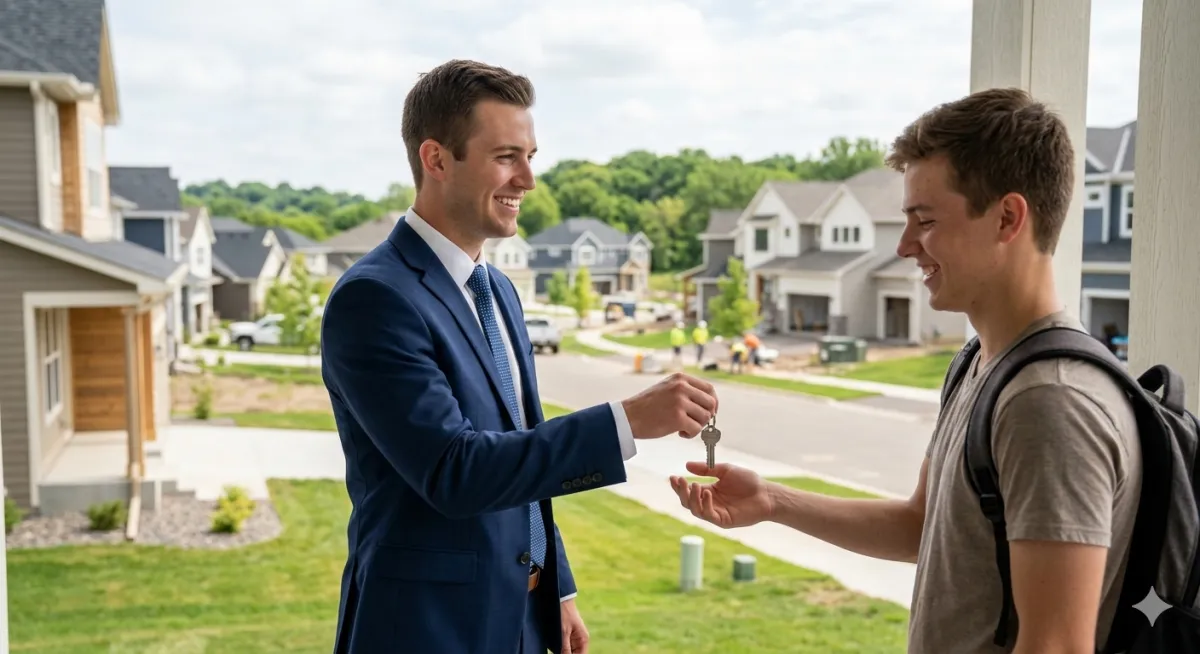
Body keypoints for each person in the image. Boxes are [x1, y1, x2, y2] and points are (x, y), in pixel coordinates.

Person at [670, 87, 1141, 653]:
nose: (903, 246)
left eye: (925, 220)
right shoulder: (981, 365)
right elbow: (922, 527)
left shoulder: (1051, 403)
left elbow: (1058, 644)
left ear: (1007, 218)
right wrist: (773, 501)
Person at [321, 59, 720, 654]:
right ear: (436, 159)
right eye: (507, 156)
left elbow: (520, 445)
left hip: (525, 612)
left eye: (531, 156)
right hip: (429, 627)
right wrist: (628, 421)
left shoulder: (499, 291)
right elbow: (456, 471)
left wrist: (555, 588)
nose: (528, 181)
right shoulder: (375, 298)